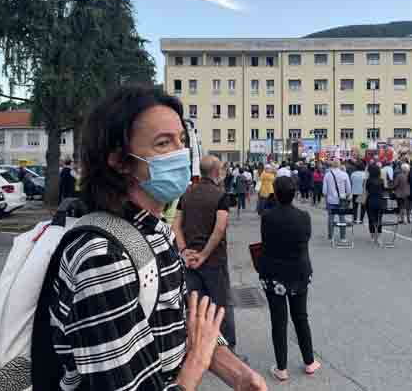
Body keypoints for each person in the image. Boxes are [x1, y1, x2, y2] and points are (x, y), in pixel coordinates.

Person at [50, 86, 265, 391]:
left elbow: (182, 323)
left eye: (182, 140)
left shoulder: (156, 230)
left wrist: (239, 375)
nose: (181, 153)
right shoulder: (104, 258)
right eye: (164, 143)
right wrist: (196, 363)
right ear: (120, 160)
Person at [174, 156, 239, 351]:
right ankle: (227, 351)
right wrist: (204, 255)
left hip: (190, 261)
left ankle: (202, 349)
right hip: (213, 261)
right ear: (216, 172)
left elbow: (175, 225)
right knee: (222, 306)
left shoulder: (186, 194)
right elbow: (219, 228)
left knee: (197, 307)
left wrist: (184, 251)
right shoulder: (220, 195)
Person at [259, 176, 321, 381]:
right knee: (301, 317)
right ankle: (309, 361)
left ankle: (281, 368)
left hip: (274, 274)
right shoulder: (304, 216)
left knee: (279, 320)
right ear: (294, 194)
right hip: (299, 272)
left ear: (275, 194)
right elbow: (305, 240)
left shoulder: (267, 217)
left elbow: (266, 242)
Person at [322, 160, 352, 240]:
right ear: (339, 165)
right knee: (342, 218)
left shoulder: (327, 175)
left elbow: (324, 191)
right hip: (342, 200)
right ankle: (343, 237)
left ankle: (330, 236)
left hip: (331, 200)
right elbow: (349, 189)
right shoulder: (344, 174)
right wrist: (346, 195)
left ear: (332, 165)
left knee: (330, 218)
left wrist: (326, 198)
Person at [365, 164, 385, 244]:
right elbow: (383, 190)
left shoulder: (368, 180)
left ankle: (372, 236)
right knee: (379, 219)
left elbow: (366, 190)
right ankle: (379, 236)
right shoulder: (381, 180)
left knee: (371, 219)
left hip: (370, 200)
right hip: (380, 201)